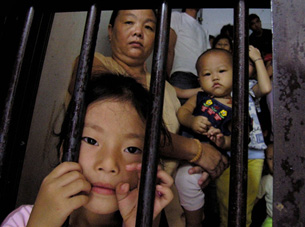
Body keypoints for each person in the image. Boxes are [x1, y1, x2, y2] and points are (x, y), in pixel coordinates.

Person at [68, 9, 228, 227]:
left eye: (149, 27)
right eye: (129, 22)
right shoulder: (92, 63)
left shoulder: (167, 90)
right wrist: (196, 151)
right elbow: (133, 128)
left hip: (160, 209)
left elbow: (177, 141)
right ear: (110, 31)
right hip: (99, 204)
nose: (138, 32)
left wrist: (197, 168)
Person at [1, 74, 174, 227]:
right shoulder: (24, 220)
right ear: (65, 149)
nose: (108, 164)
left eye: (131, 149)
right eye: (91, 140)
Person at [175, 49, 233, 227]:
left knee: (188, 180)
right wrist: (191, 121)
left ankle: (195, 222)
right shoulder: (199, 97)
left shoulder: (238, 107)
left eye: (221, 71)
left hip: (208, 161)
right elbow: (182, 112)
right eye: (207, 74)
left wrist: (223, 141)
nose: (215, 78)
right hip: (185, 150)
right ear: (199, 80)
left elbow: (238, 138)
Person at [215, 45, 272, 227]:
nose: (243, 66)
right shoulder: (221, 87)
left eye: (248, 64)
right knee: (226, 201)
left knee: (246, 203)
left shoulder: (248, 87)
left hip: (254, 152)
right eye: (238, 62)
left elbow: (266, 87)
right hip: (227, 151)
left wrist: (257, 58)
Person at [167, 8, 210, 105]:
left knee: (195, 117)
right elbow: (169, 47)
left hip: (200, 79)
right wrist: (169, 76)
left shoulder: (204, 29)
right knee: (178, 113)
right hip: (181, 75)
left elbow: (207, 56)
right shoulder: (177, 16)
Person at [257, 143, 273, 227]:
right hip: (272, 219)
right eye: (270, 158)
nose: (274, 162)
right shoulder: (266, 180)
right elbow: (253, 200)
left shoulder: (293, 179)